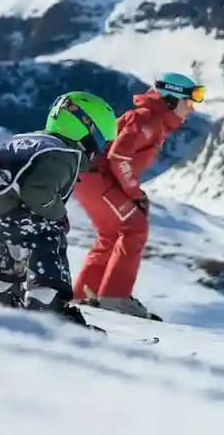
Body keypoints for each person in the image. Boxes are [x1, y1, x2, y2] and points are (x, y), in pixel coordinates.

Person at [0, 91, 119, 324]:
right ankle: (47, 304)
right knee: (49, 234)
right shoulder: (63, 154)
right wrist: (59, 216)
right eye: (101, 142)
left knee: (17, 231)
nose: (99, 151)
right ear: (87, 131)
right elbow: (37, 192)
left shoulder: (33, 139)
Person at [72, 71, 202, 317]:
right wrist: (133, 192)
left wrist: (131, 191)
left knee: (111, 235)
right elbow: (119, 156)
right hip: (97, 177)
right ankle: (115, 298)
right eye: (188, 102)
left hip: (89, 177)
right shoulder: (147, 120)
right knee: (135, 227)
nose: (191, 110)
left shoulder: (152, 121)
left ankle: (83, 296)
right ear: (171, 100)